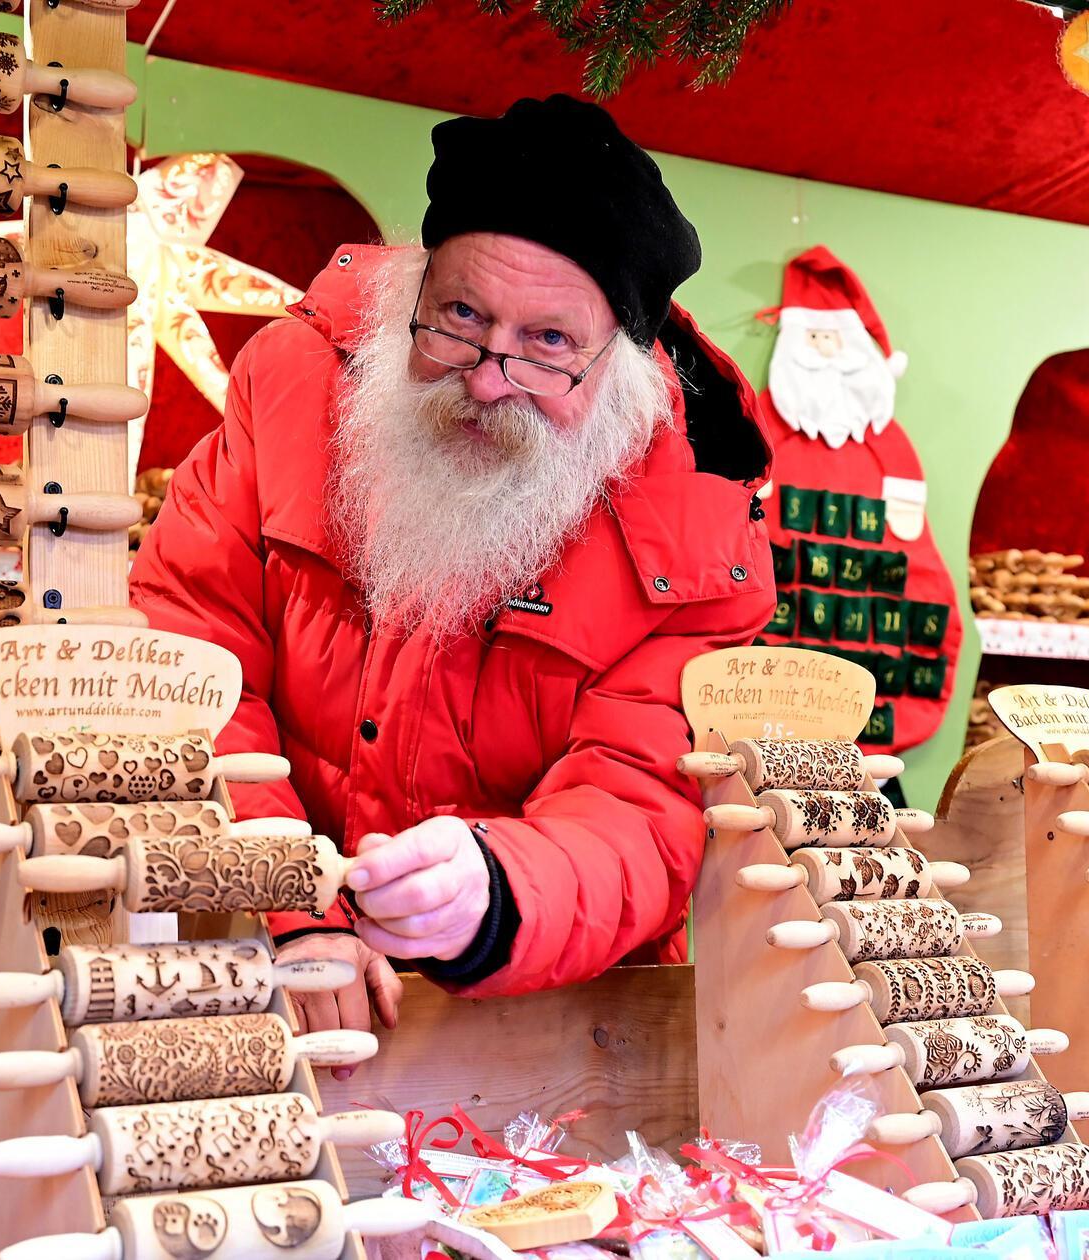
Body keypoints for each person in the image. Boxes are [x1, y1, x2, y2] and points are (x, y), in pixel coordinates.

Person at [129, 94, 774, 1057]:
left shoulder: (699, 524)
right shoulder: (289, 380)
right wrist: (289, 898)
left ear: (624, 369)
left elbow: (642, 800)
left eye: (547, 344)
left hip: (549, 1024)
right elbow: (189, 652)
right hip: (261, 974)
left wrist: (495, 892)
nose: (484, 377)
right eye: (460, 317)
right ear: (410, 298)